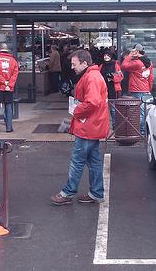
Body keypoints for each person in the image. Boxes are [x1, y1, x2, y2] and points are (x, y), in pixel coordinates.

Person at [51, 50, 109, 205]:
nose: (72, 67)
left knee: (77, 160)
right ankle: (96, 192)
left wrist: (76, 111)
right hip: (92, 125)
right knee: (93, 161)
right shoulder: (93, 75)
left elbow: (92, 102)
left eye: (74, 64)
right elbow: (93, 102)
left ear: (84, 63)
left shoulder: (91, 77)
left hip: (87, 127)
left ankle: (68, 192)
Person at [120, 43, 153, 136]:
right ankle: (143, 131)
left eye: (133, 50)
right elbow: (151, 77)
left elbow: (123, 66)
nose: (132, 52)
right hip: (145, 89)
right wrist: (149, 88)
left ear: (137, 51)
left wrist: (129, 56)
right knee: (143, 111)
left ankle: (140, 131)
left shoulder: (137, 63)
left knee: (138, 112)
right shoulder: (149, 62)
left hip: (136, 89)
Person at [0, 43, 19, 132]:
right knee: (8, 106)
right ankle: (9, 127)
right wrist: (9, 84)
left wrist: (3, 82)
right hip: (9, 88)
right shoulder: (13, 60)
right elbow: (15, 74)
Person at [99, 49, 123, 130]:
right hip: (103, 89)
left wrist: (112, 77)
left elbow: (120, 76)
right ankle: (103, 126)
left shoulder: (115, 65)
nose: (106, 57)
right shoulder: (101, 66)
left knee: (113, 109)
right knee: (102, 109)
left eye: (107, 55)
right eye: (105, 55)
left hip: (113, 89)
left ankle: (115, 125)